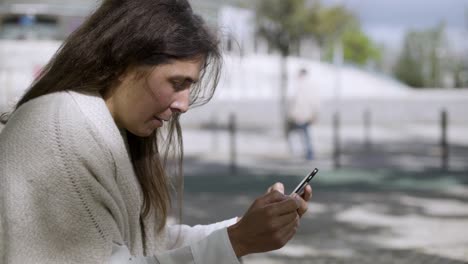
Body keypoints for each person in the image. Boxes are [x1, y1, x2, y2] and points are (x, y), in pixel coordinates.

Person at [0, 0, 312, 263]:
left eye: (190, 87)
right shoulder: (62, 126)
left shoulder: (110, 130)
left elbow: (145, 242)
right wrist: (236, 241)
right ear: (123, 61)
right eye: (177, 84)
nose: (184, 105)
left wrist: (243, 228)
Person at [287, 68, 320, 160]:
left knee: (302, 134)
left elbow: (297, 102)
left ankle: (306, 153)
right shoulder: (308, 86)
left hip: (302, 115)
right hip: (305, 115)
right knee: (306, 134)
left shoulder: (301, 86)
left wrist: (293, 114)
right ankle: (308, 153)